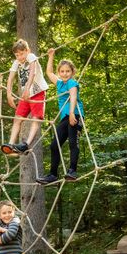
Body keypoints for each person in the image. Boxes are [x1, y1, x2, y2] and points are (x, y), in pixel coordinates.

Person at [37, 48, 84, 184]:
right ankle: (53, 174)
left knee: (72, 142)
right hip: (65, 117)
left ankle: (72, 171)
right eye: (62, 71)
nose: (64, 74)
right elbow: (49, 72)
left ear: (72, 72)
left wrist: (71, 114)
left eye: (67, 71)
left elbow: (73, 96)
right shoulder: (59, 83)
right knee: (54, 145)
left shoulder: (71, 83)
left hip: (74, 114)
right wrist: (51, 56)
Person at [0, 39, 49, 155]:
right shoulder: (17, 62)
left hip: (37, 92)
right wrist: (9, 94)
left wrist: (27, 88)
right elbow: (10, 78)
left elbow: (33, 72)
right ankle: (11, 144)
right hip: (25, 96)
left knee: (36, 118)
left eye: (21, 53)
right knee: (17, 118)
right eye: (17, 55)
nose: (20, 57)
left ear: (27, 51)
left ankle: (26, 144)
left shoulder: (31, 56)